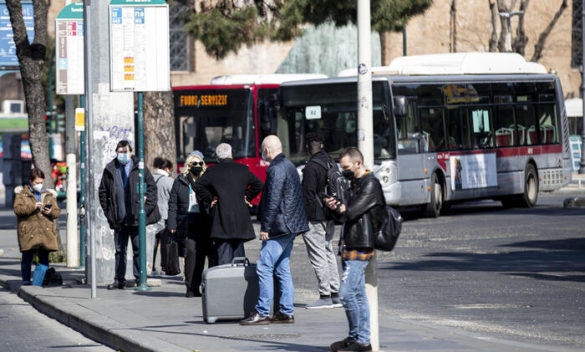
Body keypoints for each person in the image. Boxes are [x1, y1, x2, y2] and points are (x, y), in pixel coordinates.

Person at [240, 135, 309, 325]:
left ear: (267, 150)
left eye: (262, 150)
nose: (262, 154)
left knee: (264, 266)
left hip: (280, 225)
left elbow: (273, 200)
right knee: (282, 267)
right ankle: (285, 311)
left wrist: (265, 227)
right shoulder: (288, 166)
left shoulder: (276, 169)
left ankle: (262, 311)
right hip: (291, 224)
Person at [325, 147, 385, 352]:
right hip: (350, 242)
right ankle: (356, 338)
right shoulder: (355, 183)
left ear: (358, 163)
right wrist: (334, 208)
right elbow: (343, 216)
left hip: (360, 244)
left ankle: (363, 340)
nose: (344, 171)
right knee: (357, 294)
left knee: (346, 293)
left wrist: (342, 208)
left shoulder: (370, 184)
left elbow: (352, 212)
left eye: (346, 167)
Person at [98, 140, 158, 290]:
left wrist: (146, 209)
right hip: (119, 219)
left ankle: (139, 278)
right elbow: (103, 192)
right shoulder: (110, 169)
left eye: (125, 152)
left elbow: (152, 189)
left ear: (131, 153)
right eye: (120, 152)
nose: (123, 155)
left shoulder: (140, 168)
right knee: (119, 251)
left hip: (137, 218)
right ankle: (119, 279)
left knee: (138, 249)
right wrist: (109, 213)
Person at [194, 143, 263, 266]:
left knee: (223, 258)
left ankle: (224, 284)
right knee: (239, 257)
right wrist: (247, 196)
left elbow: (197, 186)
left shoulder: (212, 171)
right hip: (240, 219)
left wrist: (210, 198)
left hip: (221, 219)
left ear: (217, 157)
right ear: (231, 154)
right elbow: (258, 184)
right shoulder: (243, 169)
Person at [301, 132, 342, 309]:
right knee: (328, 252)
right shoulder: (331, 162)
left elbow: (308, 196)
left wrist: (305, 219)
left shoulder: (311, 167)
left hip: (316, 218)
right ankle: (335, 294)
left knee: (318, 255)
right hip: (330, 215)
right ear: (322, 145)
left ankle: (324, 296)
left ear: (308, 147)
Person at [167, 153, 211, 297]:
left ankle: (197, 285)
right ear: (188, 166)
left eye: (200, 164)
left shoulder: (206, 181)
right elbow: (172, 203)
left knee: (201, 255)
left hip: (203, 221)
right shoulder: (180, 181)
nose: (197, 166)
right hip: (186, 222)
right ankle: (190, 287)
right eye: (194, 164)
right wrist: (172, 224)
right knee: (190, 254)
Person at [14, 169, 61, 285]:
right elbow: (17, 210)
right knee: (27, 256)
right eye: (36, 183)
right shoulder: (22, 195)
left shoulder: (48, 195)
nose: (39, 185)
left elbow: (57, 212)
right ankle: (26, 280)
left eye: (41, 182)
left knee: (44, 257)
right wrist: (33, 206)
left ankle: (37, 283)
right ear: (30, 181)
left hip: (45, 232)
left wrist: (50, 211)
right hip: (29, 231)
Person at [151, 157, 175, 275]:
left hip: (152, 216)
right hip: (165, 216)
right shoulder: (168, 181)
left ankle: (151, 267)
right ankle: (164, 268)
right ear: (166, 168)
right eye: (171, 169)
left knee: (152, 244)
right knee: (166, 244)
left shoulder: (150, 178)